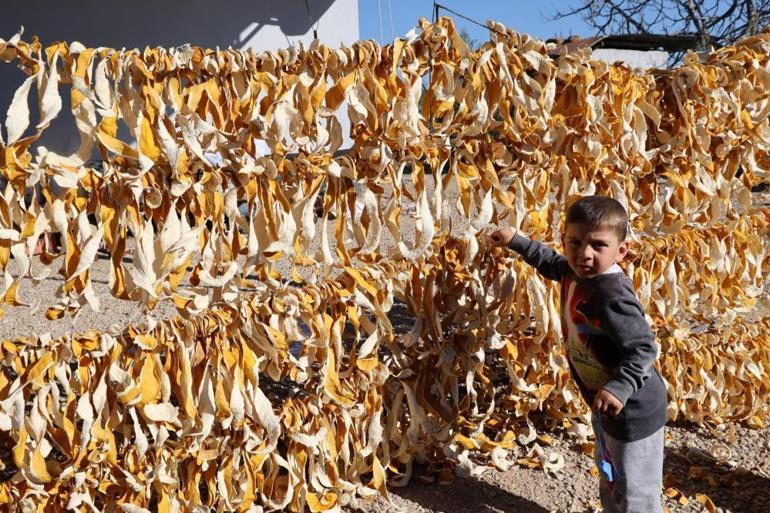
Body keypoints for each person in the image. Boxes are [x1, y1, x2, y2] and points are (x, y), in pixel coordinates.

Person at [490, 195, 668, 513]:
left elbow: (643, 348)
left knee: (635, 491)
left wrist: (619, 387)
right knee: (611, 475)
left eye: (598, 246)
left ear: (621, 250)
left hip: (634, 410)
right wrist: (516, 240)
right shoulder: (574, 271)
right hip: (605, 405)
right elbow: (550, 262)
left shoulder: (611, 295)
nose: (583, 254)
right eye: (574, 243)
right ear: (565, 241)